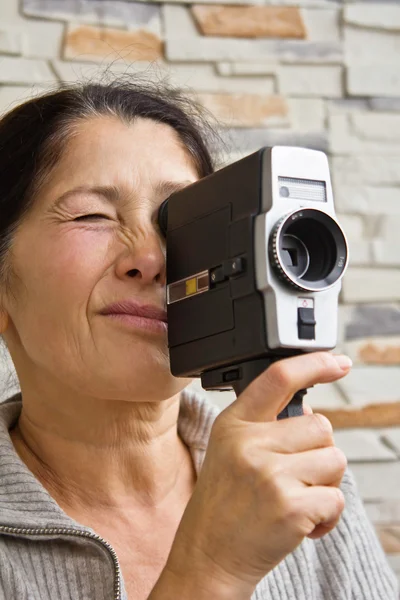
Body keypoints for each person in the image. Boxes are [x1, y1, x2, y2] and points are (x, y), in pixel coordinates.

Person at [0, 79, 397, 600]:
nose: (151, 258)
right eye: (92, 215)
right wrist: (210, 571)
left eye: (175, 223)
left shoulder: (294, 479)